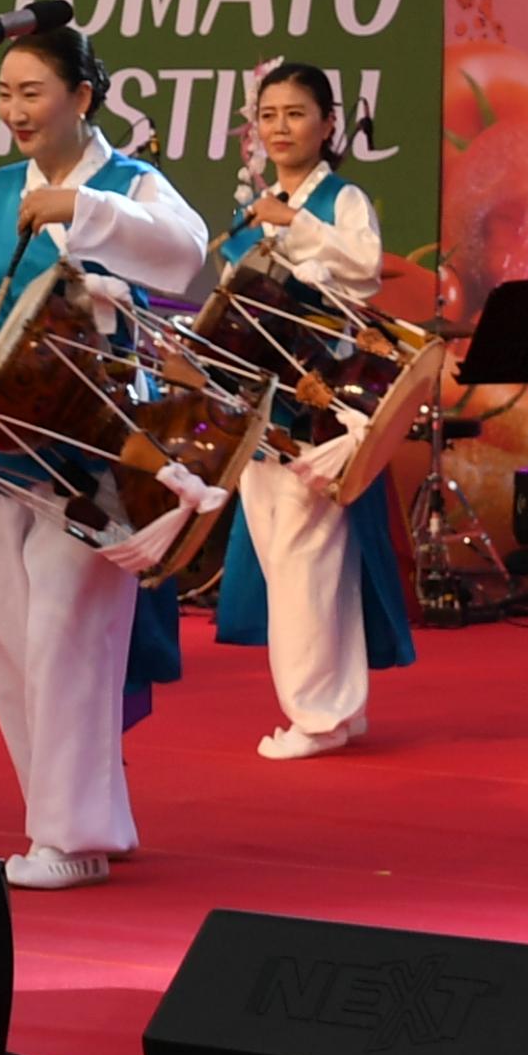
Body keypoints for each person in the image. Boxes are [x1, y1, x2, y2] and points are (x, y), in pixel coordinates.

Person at [0, 22, 211, 889]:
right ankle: (66, 820)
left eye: (33, 92)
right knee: (11, 642)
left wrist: (86, 210)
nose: (15, 109)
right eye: (4, 94)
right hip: (3, 451)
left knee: (67, 637)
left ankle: (70, 834)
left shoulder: (132, 183)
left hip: (103, 456)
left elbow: (188, 256)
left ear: (84, 98)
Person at [210, 62, 416, 758]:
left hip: (324, 400)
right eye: (268, 114)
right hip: (262, 402)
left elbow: (362, 268)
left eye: (295, 113)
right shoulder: (255, 205)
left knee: (307, 555)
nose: (279, 127)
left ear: (329, 125)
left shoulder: (340, 202)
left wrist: (292, 224)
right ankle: (338, 704)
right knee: (288, 554)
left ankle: (318, 715)